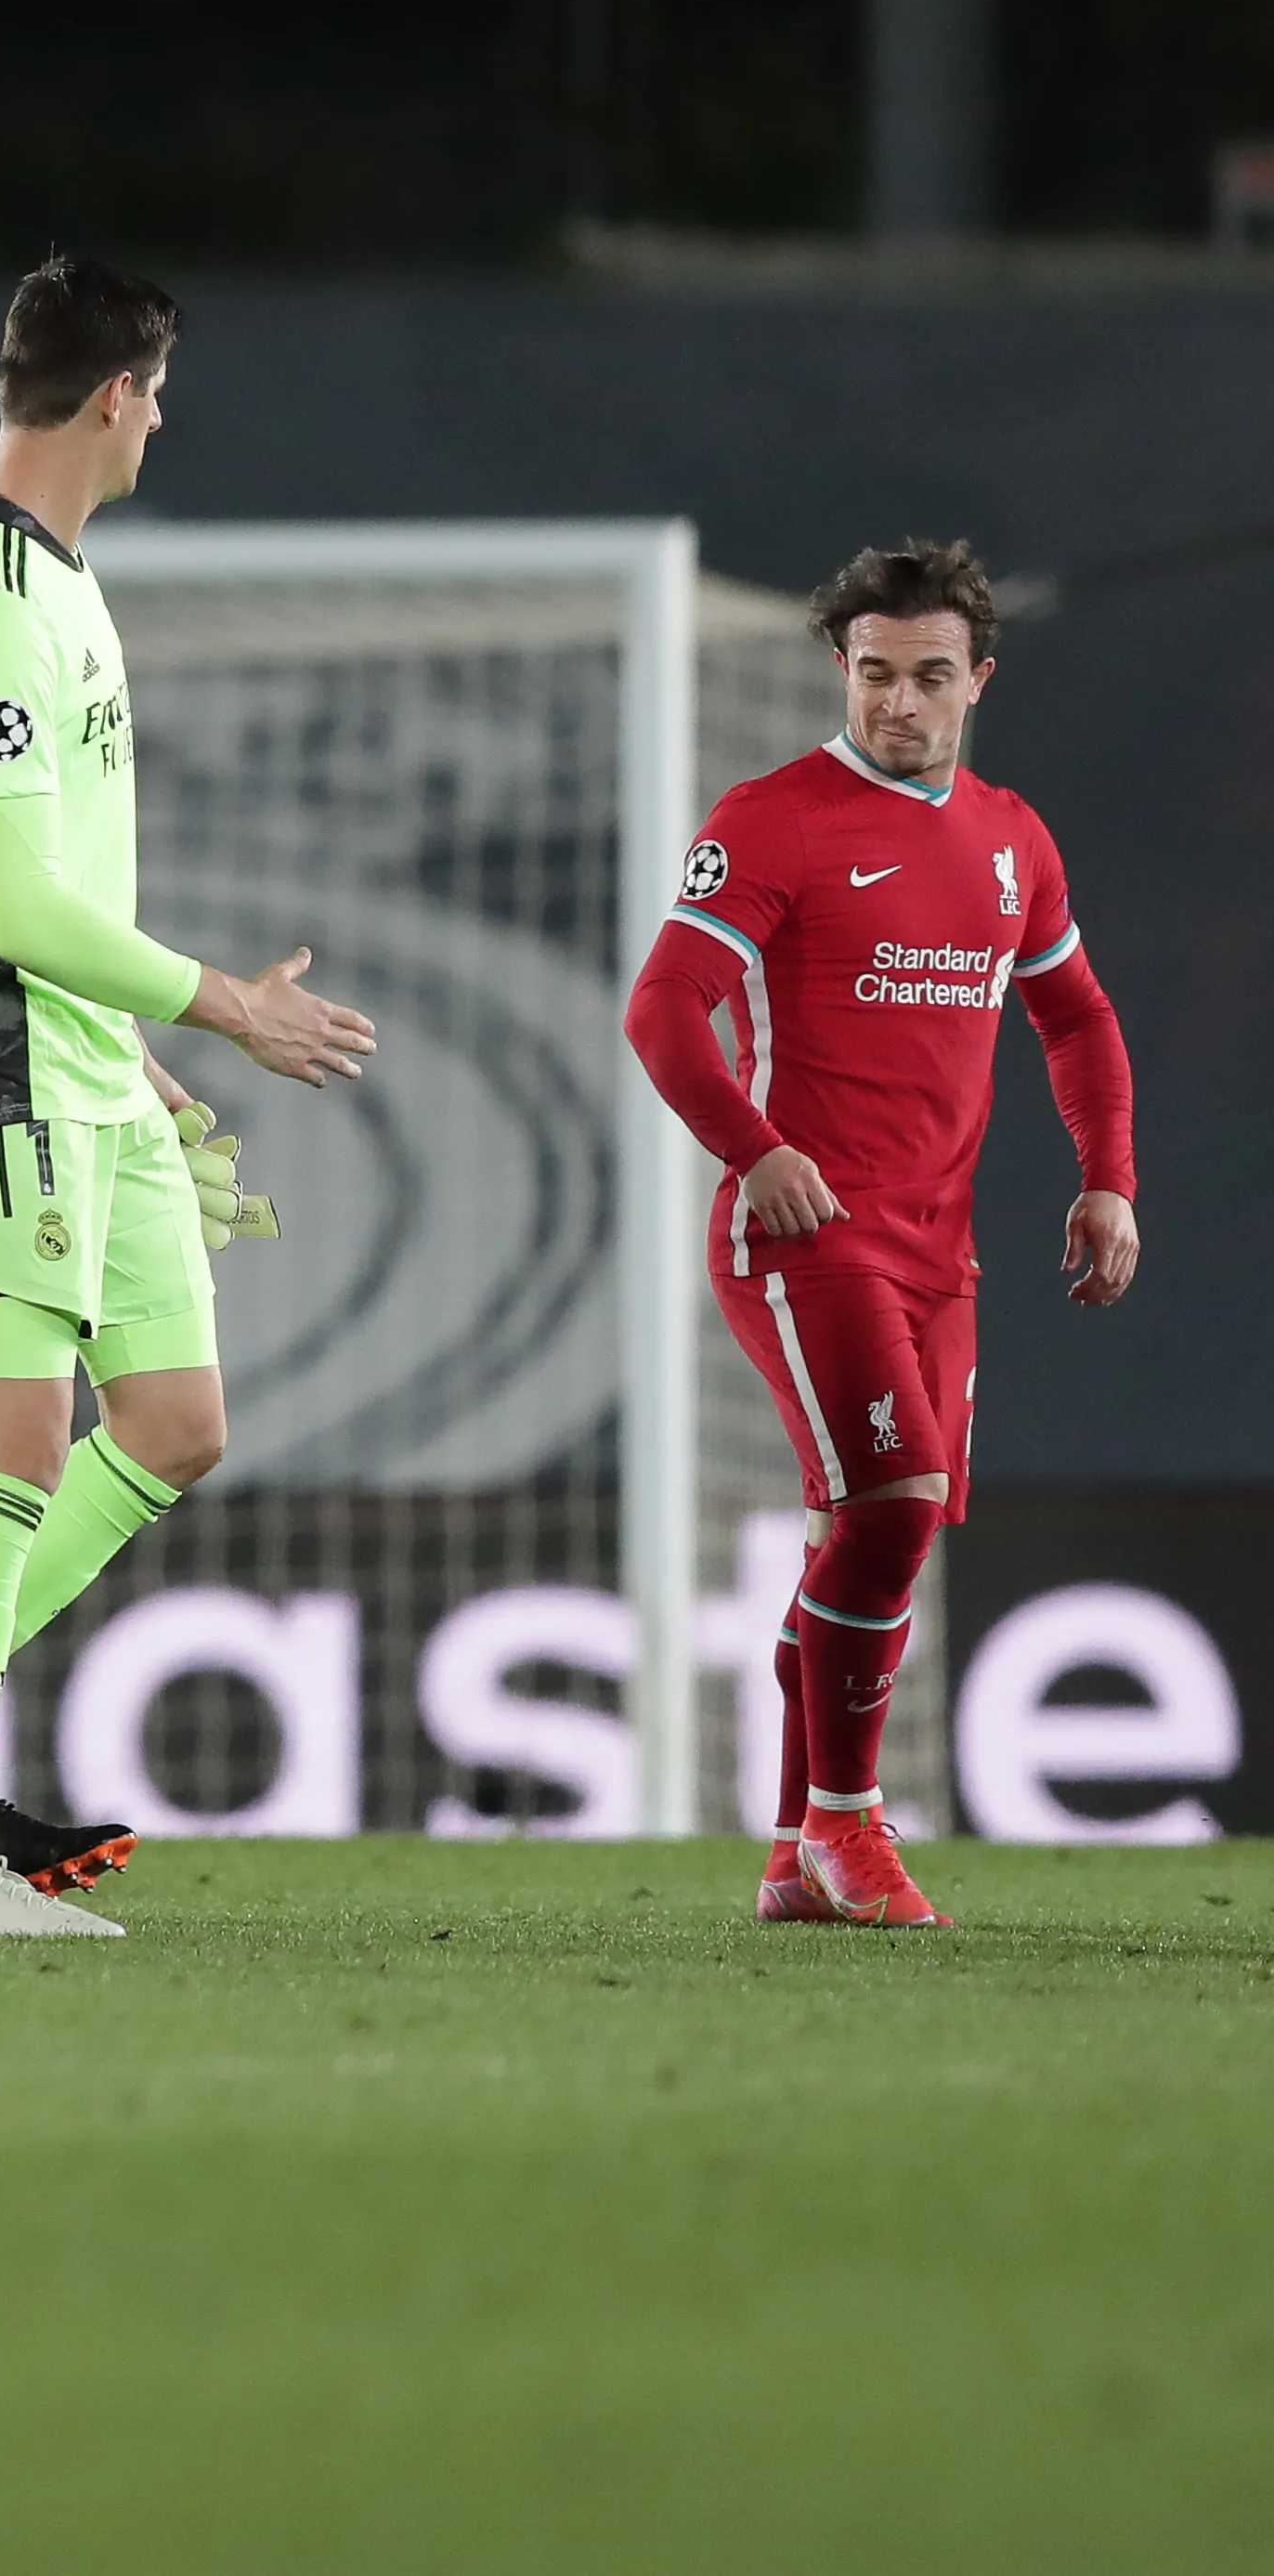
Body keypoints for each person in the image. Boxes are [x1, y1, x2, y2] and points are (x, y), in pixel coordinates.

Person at [0, 255, 377, 1940]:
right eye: (157, 392)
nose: (161, 419)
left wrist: (141, 1048)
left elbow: (56, 874)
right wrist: (219, 1007)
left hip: (83, 1059)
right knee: (8, 1443)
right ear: (114, 397)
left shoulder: (64, 580)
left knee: (172, 1421)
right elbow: (6, 907)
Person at [626, 538, 1138, 1931]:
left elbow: (1078, 1016)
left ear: (979, 677)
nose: (896, 705)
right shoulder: (773, 818)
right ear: (839, 671)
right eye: (871, 675)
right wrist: (759, 1146)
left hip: (938, 1252)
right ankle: (849, 1826)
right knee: (896, 1501)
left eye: (926, 678)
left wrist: (1109, 1180)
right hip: (802, 1233)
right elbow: (663, 1012)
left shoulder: (1010, 840)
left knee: (867, 1526)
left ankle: (794, 1857)